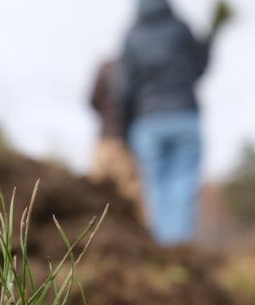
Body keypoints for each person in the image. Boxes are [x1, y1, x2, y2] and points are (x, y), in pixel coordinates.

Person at [117, 0, 233, 245]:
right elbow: (198, 68)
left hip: (147, 121)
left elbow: (123, 89)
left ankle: (163, 249)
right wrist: (211, 36)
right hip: (184, 116)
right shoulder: (180, 28)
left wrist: (123, 131)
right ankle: (178, 249)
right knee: (182, 186)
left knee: (154, 188)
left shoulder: (132, 36)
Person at [89, 59, 143, 216]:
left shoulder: (105, 67)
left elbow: (93, 100)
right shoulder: (136, 69)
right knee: (130, 193)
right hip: (126, 142)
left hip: (105, 139)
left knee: (96, 190)